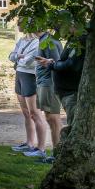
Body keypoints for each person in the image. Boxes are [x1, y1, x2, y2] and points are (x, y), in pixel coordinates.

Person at [8, 31, 48, 154]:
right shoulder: (22, 40)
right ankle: (29, 143)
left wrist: (18, 56)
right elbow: (11, 56)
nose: (20, 23)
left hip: (29, 76)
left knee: (34, 113)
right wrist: (20, 56)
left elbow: (28, 62)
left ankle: (41, 148)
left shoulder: (37, 42)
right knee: (26, 113)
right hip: (19, 74)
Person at [41, 34, 86, 130]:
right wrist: (54, 63)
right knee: (72, 125)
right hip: (65, 91)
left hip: (71, 92)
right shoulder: (72, 39)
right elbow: (66, 61)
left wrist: (52, 65)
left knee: (74, 127)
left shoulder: (81, 39)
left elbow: (71, 64)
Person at [30, 32, 62, 162]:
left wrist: (48, 62)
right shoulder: (44, 39)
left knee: (53, 119)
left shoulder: (49, 41)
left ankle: (57, 155)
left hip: (50, 83)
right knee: (50, 118)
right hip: (44, 82)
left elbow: (57, 63)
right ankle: (56, 154)